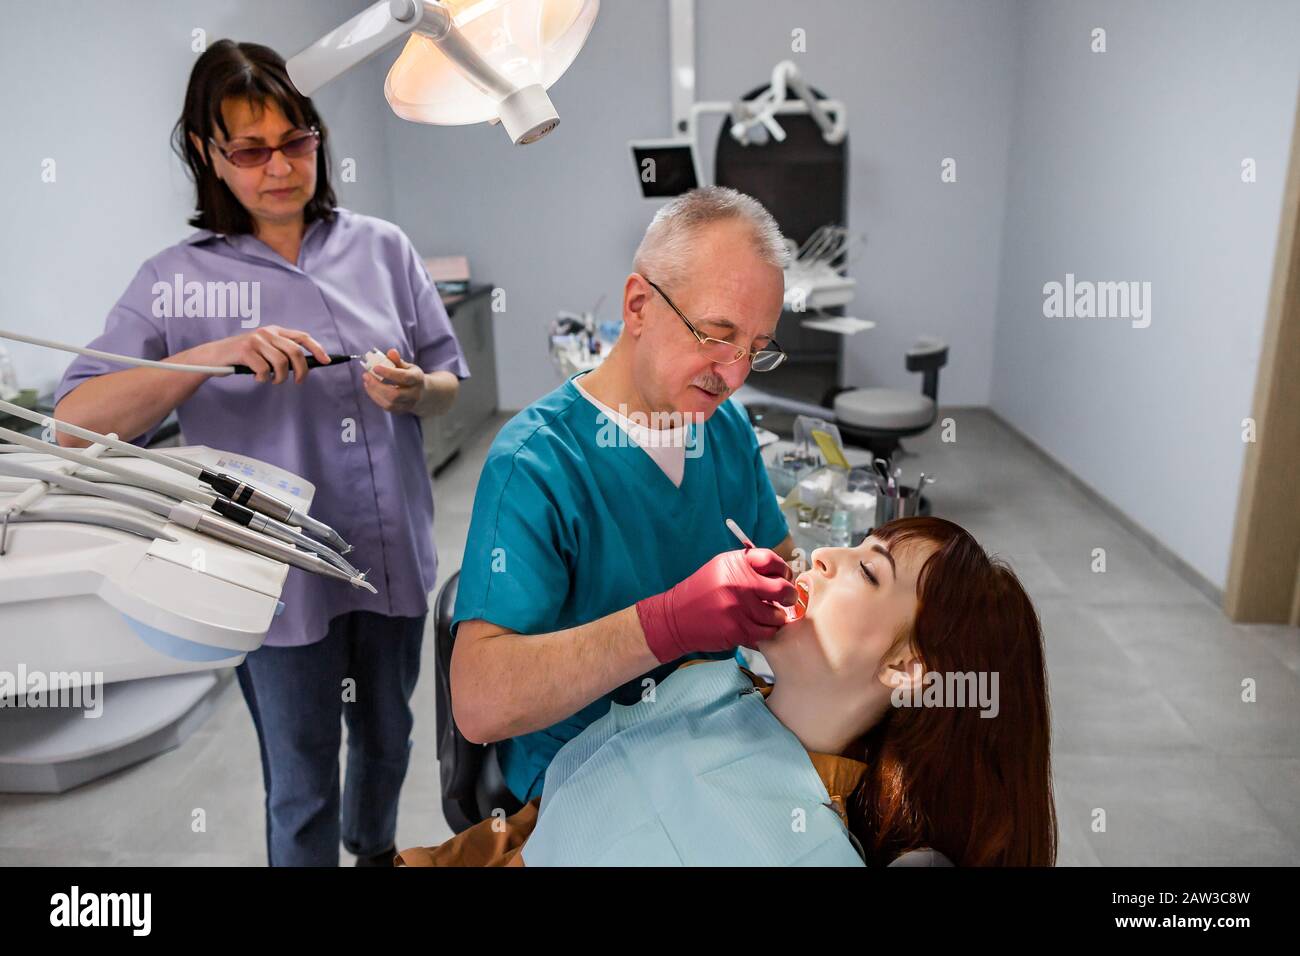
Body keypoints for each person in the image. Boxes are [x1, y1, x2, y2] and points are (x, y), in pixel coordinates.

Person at [52, 40, 469, 866]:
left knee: (389, 740)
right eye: (249, 149)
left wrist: (417, 391)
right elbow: (74, 422)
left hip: (390, 561)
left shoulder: (383, 247)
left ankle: (374, 850)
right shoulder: (178, 281)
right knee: (303, 775)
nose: (278, 167)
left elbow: (451, 375)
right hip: (275, 585)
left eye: (296, 141)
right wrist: (211, 355)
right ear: (209, 156)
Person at [398, 517, 1057, 866]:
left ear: (909, 670)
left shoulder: (812, 851)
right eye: (853, 542)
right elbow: (540, 821)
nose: (825, 555)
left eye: (868, 569)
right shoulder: (701, 684)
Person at [450, 186, 801, 807]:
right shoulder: (538, 462)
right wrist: (664, 624)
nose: (735, 374)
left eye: (756, 349)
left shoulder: (724, 428)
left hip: (714, 737)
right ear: (638, 305)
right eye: (716, 335)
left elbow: (782, 561)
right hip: (588, 769)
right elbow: (479, 704)